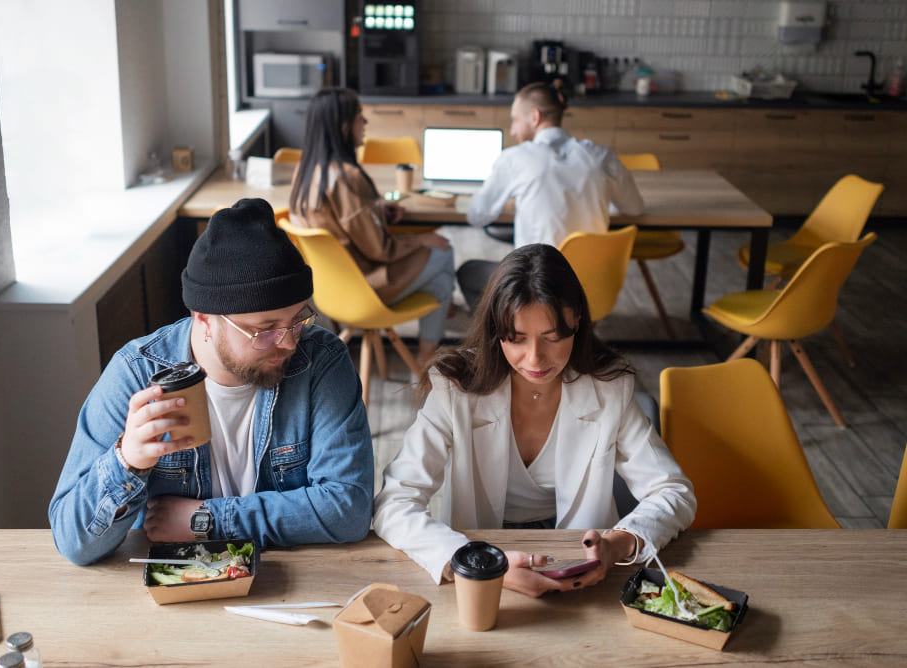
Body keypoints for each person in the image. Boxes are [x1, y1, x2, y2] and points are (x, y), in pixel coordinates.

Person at [49, 198, 374, 566]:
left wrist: (207, 520)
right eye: (264, 330)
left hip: (288, 580)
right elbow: (74, 542)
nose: (287, 343)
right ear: (204, 318)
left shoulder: (321, 360)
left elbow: (350, 508)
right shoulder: (136, 373)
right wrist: (129, 461)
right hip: (174, 588)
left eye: (297, 321)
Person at [373, 244, 695, 598]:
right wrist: (478, 564)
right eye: (516, 338)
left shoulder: (610, 388)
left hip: (581, 569)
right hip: (478, 559)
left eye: (553, 337)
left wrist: (617, 546)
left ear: (577, 322)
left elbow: (673, 491)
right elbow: (394, 503)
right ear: (496, 332)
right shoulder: (455, 389)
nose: (535, 358)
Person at [289, 87, 455, 365]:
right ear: (344, 126)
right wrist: (423, 239)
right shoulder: (347, 177)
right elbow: (381, 250)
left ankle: (434, 336)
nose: (364, 123)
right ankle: (429, 356)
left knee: (440, 283)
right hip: (366, 288)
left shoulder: (305, 173)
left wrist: (376, 210)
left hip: (330, 289)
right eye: (359, 117)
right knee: (443, 250)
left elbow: (346, 223)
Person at [456, 82, 645, 310]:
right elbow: (634, 208)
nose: (513, 130)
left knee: (469, 272)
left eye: (515, 120)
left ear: (534, 117)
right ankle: (574, 333)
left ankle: (505, 336)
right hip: (591, 288)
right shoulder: (601, 156)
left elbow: (477, 216)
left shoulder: (515, 158)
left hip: (537, 290)